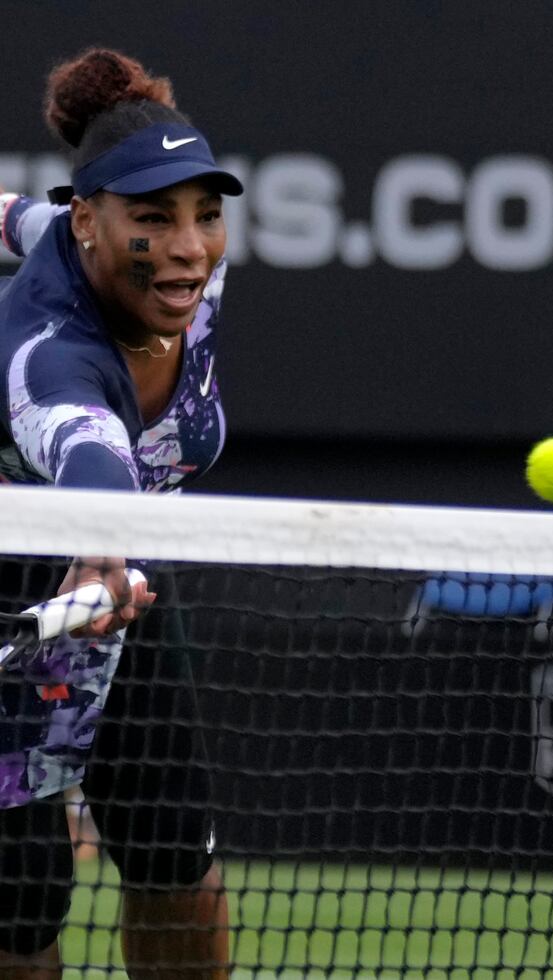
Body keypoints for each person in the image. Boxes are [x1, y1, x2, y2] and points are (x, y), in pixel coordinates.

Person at [0, 48, 243, 977]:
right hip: (27, 590)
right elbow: (89, 451)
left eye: (207, 216)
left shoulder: (181, 275)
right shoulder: (51, 357)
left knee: (176, 855)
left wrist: (116, 563)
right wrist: (99, 546)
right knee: (20, 905)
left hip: (127, 594)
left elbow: (27, 221)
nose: (189, 247)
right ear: (92, 223)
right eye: (155, 218)